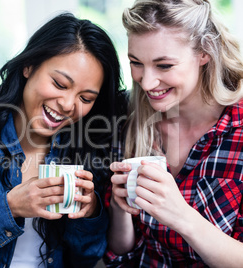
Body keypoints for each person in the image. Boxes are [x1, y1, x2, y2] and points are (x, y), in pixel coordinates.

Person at [0, 13, 127, 267]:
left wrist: (91, 212)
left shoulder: (85, 149)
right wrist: (9, 208)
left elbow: (86, 259)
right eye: (60, 84)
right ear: (28, 66)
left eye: (85, 99)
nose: (67, 104)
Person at [104, 0, 243, 267]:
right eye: (136, 63)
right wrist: (120, 208)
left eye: (164, 66)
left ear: (204, 53)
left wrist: (179, 214)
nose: (146, 82)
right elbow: (121, 249)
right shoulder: (129, 121)